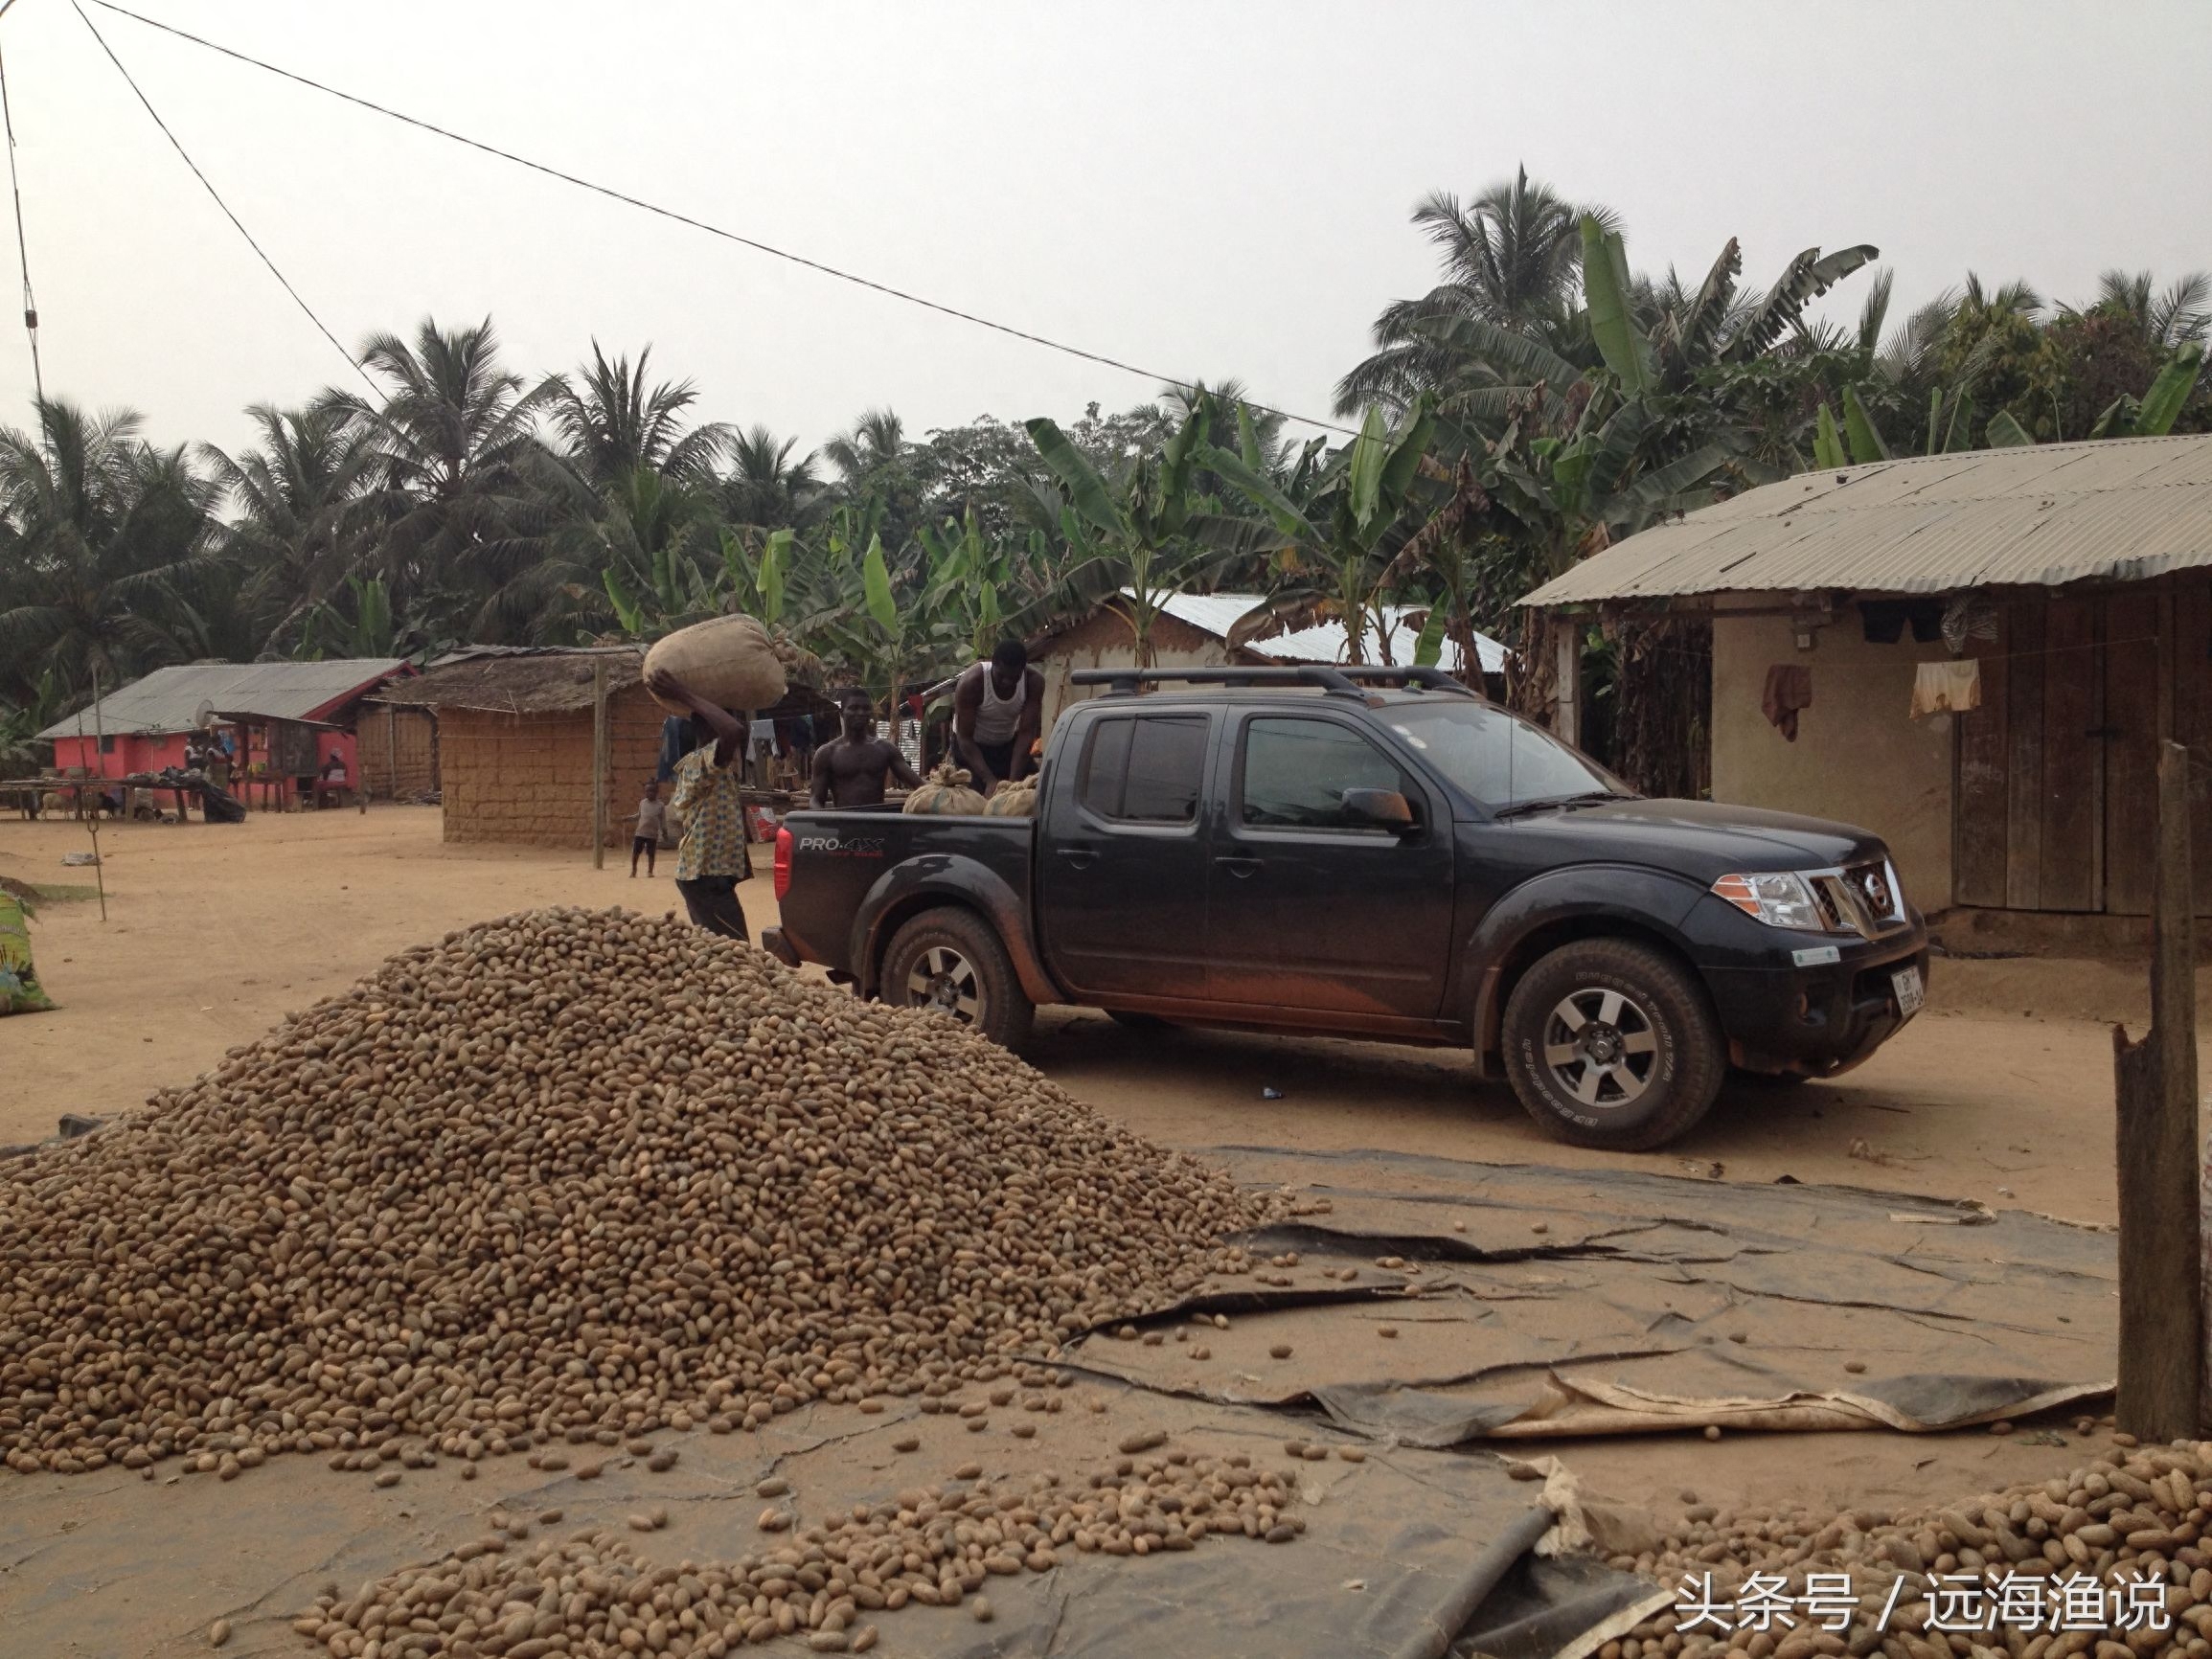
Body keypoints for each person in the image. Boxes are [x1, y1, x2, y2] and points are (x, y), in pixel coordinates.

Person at [646, 667, 753, 941]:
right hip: (704, 876)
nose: (730, 720)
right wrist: (681, 694)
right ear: (704, 724)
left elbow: (739, 729)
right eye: (721, 715)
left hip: (709, 875)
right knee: (735, 948)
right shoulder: (701, 762)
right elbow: (733, 730)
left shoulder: (720, 765)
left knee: (724, 946)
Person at [951, 638, 1043, 794]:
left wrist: (1012, 782)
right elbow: (964, 738)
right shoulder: (972, 682)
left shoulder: (1034, 682)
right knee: (977, 799)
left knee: (1033, 790)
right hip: (972, 748)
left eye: (1014, 678)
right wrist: (989, 780)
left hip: (1006, 746)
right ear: (993, 663)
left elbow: (1026, 733)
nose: (1007, 682)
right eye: (1001, 676)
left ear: (1023, 669)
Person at [810, 691, 921, 809]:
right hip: (842, 825)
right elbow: (816, 799)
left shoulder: (885, 749)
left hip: (876, 823)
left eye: (866, 708)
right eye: (854, 708)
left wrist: (940, 789)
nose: (861, 713)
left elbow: (919, 785)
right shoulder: (827, 753)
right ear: (842, 713)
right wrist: (823, 821)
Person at [629, 780, 667, 878]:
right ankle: (634, 871)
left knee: (651, 854)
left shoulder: (660, 805)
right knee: (636, 853)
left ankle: (650, 871)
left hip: (652, 834)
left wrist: (664, 832)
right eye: (647, 791)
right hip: (640, 832)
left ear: (656, 792)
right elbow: (639, 815)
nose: (649, 793)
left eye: (652, 791)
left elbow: (663, 820)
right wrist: (628, 818)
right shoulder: (642, 803)